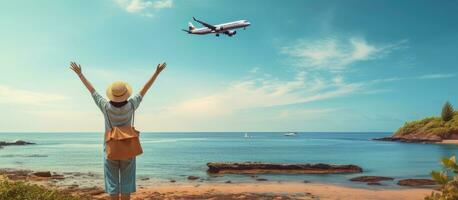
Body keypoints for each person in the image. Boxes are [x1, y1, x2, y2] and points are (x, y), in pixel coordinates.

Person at [70, 61, 166, 200]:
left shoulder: (105, 106)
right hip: (128, 147)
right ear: (126, 93)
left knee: (112, 184)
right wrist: (156, 73)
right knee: (126, 183)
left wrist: (80, 74)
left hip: (110, 147)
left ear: (112, 94)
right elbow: (145, 89)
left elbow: (92, 91)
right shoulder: (132, 105)